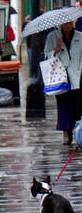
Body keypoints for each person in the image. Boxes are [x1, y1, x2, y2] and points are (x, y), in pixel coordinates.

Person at [43, 18, 82, 146]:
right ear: (61, 24)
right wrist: (56, 49)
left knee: (77, 105)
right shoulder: (52, 36)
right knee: (64, 106)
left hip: (77, 75)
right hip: (60, 76)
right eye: (66, 23)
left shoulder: (80, 36)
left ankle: (78, 131)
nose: (68, 26)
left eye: (70, 23)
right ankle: (66, 132)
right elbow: (46, 56)